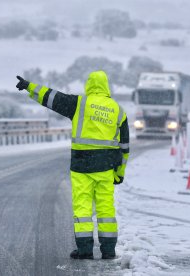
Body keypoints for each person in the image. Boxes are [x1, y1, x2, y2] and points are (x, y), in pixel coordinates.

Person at [15, 71, 129, 260]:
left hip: (81, 166)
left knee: (82, 207)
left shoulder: (80, 103)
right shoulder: (118, 110)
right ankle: (108, 250)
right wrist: (120, 172)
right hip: (106, 167)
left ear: (89, 85)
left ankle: (84, 249)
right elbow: (125, 147)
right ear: (106, 86)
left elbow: (52, 97)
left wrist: (29, 86)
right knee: (106, 208)